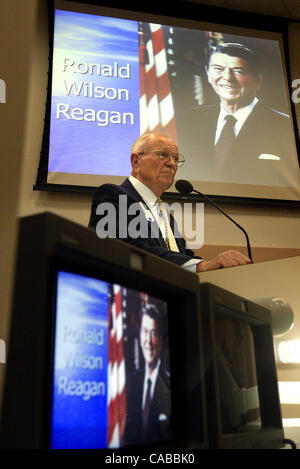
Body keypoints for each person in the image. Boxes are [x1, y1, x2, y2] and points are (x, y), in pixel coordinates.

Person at [89, 132, 251, 272]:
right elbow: (123, 248)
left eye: (175, 158)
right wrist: (201, 266)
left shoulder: (164, 212)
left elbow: (184, 257)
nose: (172, 163)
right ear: (136, 162)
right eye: (163, 155)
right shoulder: (113, 195)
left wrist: (215, 267)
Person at [179, 42, 299, 186]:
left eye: (238, 71)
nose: (227, 77)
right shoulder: (189, 120)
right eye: (218, 69)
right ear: (208, 74)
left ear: (258, 81)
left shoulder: (284, 126)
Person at [122, 304, 171, 446]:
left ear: (161, 341)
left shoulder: (168, 383)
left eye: (153, 333)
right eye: (144, 331)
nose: (148, 341)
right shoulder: (133, 380)